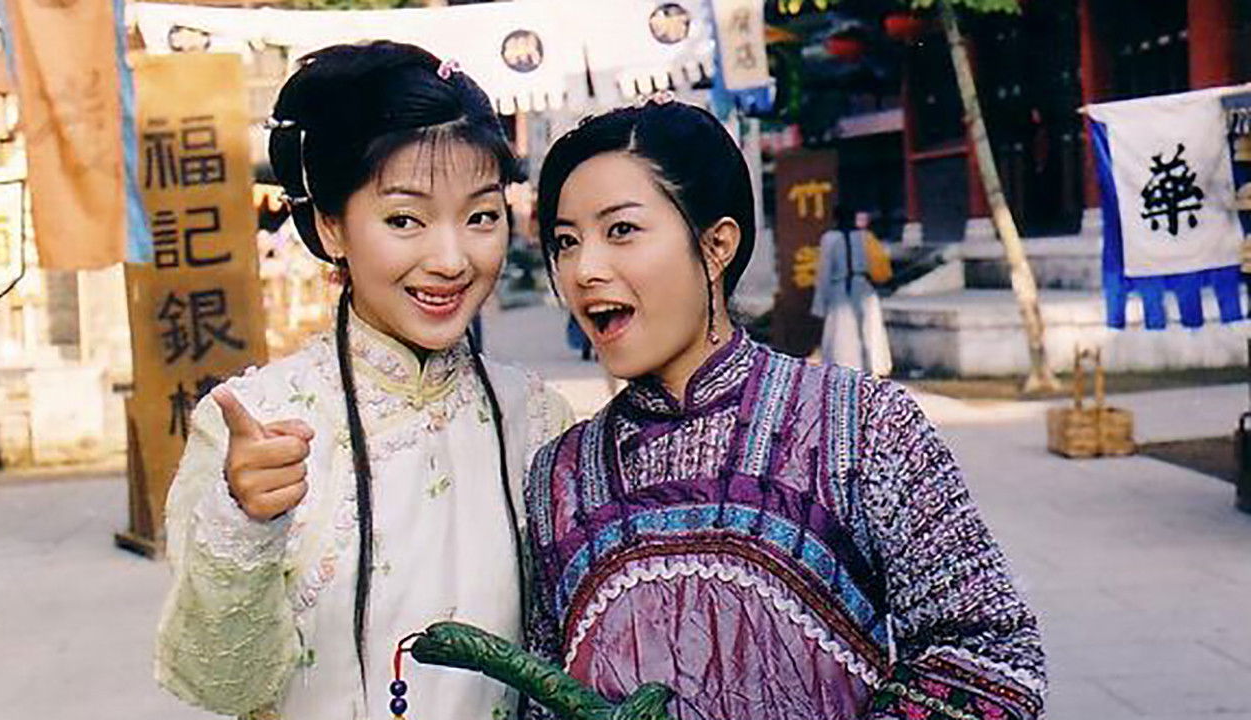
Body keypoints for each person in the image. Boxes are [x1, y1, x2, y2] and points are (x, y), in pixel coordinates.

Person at [523, 98, 1045, 720]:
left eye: (621, 231)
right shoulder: (558, 475)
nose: (583, 269)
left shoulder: (863, 425)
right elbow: (540, 695)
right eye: (566, 241)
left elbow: (991, 657)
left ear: (716, 245)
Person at [155, 42, 572, 720]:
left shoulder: (539, 419)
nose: (451, 259)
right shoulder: (259, 422)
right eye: (404, 219)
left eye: (480, 216)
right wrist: (245, 521)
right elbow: (220, 685)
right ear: (331, 227)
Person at [812, 207, 893, 376]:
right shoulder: (864, 237)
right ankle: (873, 366)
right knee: (869, 329)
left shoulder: (829, 238)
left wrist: (820, 304)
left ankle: (844, 369)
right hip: (862, 286)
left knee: (841, 333)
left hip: (840, 288)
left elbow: (824, 271)